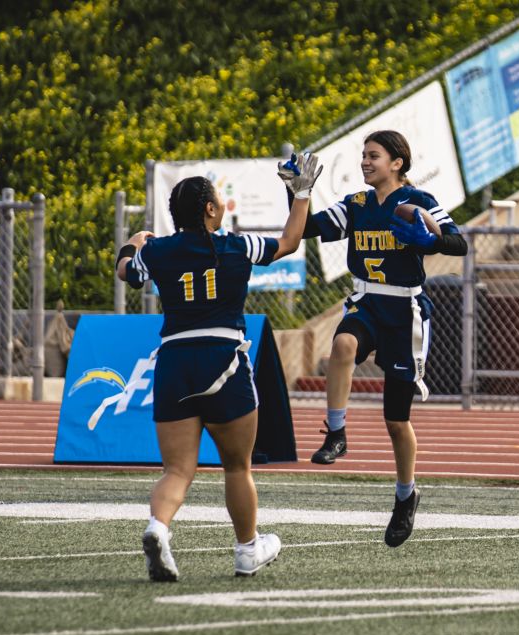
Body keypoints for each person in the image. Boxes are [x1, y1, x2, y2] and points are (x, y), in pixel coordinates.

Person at [117, 152, 322, 581]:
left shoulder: (158, 251)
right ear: (210, 209)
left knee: (177, 469)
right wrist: (300, 195)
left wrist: (134, 242)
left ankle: (158, 528)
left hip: (174, 360)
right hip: (224, 359)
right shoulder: (235, 244)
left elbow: (125, 272)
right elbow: (288, 242)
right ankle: (247, 549)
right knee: (236, 466)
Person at [298, 130, 467, 547]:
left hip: (404, 312)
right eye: (363, 156)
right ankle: (336, 432)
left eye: (373, 156)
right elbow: (306, 229)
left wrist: (431, 241)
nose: (365, 162)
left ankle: (406, 495)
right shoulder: (356, 204)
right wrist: (298, 194)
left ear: (398, 163)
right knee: (342, 345)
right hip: (367, 301)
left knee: (396, 421)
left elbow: (459, 242)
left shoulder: (419, 202)